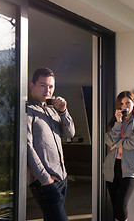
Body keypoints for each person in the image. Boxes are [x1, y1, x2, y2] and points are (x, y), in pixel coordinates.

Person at [27, 67, 75, 221]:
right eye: (43, 85)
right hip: (45, 182)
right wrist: (45, 179)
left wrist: (63, 111)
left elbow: (70, 133)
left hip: (61, 178)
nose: (47, 90)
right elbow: (27, 147)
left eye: (51, 86)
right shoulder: (27, 111)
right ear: (32, 86)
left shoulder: (53, 110)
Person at [103, 91, 134, 221]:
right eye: (121, 103)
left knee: (121, 203)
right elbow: (108, 140)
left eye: (128, 102)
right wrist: (118, 122)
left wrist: (117, 144)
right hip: (112, 167)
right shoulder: (114, 122)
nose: (125, 106)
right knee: (116, 205)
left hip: (130, 168)